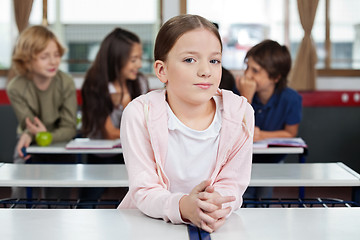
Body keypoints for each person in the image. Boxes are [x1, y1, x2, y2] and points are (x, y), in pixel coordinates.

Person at [118, 14, 254, 233]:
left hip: (213, 227)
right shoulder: (139, 113)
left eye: (214, 60)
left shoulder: (241, 114)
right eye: (190, 60)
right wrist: (183, 207)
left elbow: (232, 184)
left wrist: (215, 205)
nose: (205, 71)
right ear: (162, 70)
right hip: (147, 225)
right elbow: (144, 189)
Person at [6, 25, 77, 199]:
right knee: (21, 194)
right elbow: (29, 125)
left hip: (60, 143)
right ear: (27, 60)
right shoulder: (15, 87)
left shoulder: (66, 82)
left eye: (56, 55)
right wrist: (31, 135)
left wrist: (46, 136)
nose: (53, 62)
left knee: (58, 201)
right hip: (30, 140)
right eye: (45, 57)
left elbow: (69, 129)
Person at [79, 28, 149, 205]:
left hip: (129, 150)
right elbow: (109, 132)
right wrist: (126, 105)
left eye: (140, 58)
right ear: (116, 59)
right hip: (100, 154)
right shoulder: (95, 84)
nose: (139, 65)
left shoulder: (139, 83)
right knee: (91, 196)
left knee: (137, 193)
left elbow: (144, 125)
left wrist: (127, 103)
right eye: (133, 59)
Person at [235, 39, 302, 200]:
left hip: (273, 160)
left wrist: (262, 135)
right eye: (247, 67)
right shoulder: (238, 92)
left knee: (264, 199)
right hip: (242, 159)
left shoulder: (291, 98)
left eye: (255, 71)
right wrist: (246, 98)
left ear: (276, 77)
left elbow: (290, 133)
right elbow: (233, 129)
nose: (248, 75)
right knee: (244, 199)